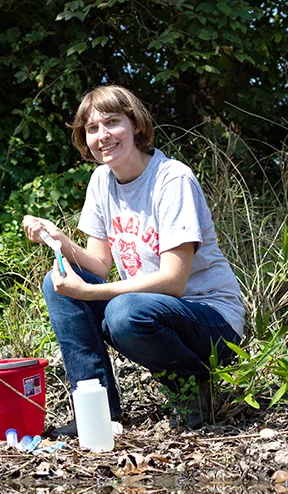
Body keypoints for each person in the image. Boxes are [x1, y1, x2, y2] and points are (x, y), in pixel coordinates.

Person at [23, 85, 245, 431]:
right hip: (148, 310)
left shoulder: (172, 179)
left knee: (123, 312)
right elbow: (98, 264)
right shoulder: (101, 181)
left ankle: (195, 388)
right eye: (92, 128)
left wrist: (91, 293)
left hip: (213, 323)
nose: (102, 135)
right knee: (57, 286)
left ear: (136, 125)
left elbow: (173, 282)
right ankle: (96, 414)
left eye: (112, 122)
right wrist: (59, 238)